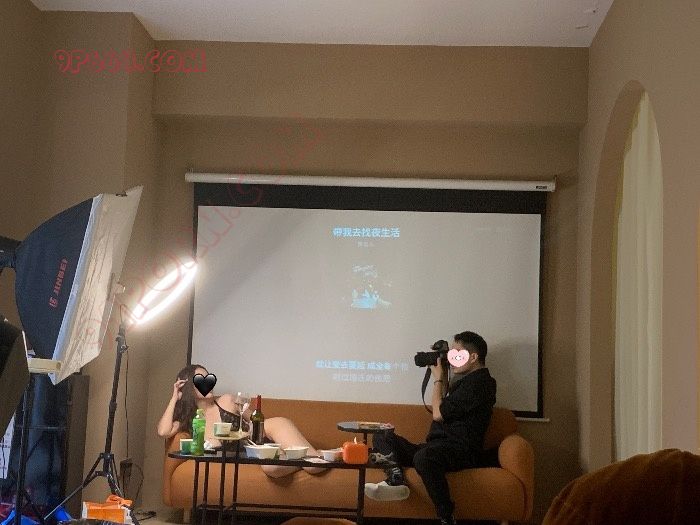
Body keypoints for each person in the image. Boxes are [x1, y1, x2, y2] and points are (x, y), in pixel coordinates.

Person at [364, 331, 497, 525]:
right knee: (382, 436)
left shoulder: (482, 383)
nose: (451, 360)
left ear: (473, 357)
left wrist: (438, 379)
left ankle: (447, 517)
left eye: (457, 354)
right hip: (437, 447)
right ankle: (396, 478)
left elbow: (438, 414)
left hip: (461, 450)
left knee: (423, 458)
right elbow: (446, 408)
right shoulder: (466, 382)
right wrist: (444, 376)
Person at [157, 364, 324, 478]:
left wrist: (245, 416)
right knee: (271, 468)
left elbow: (257, 422)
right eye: (200, 379)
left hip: (271, 430)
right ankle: (319, 455)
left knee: (314, 466)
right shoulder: (191, 420)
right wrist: (175, 397)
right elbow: (163, 431)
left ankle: (318, 457)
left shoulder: (227, 400)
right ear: (188, 387)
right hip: (260, 455)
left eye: (208, 378)